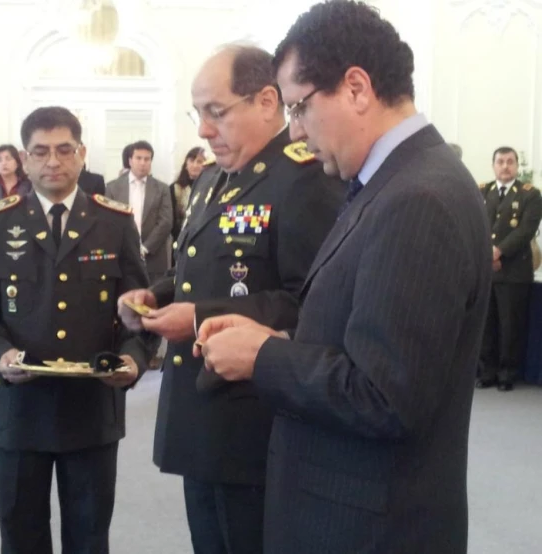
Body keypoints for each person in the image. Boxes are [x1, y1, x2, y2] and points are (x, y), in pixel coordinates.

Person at [194, 2, 492, 553]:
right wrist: (274, 339)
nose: (297, 132)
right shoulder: (391, 183)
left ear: (356, 88)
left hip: (367, 528)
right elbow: (364, 342)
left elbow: (384, 395)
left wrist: (263, 358)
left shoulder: (418, 198)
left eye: (300, 109)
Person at [118, 44, 343, 554]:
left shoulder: (303, 179)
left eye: (215, 112)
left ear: (267, 101)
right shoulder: (217, 178)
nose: (202, 129)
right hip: (201, 413)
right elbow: (198, 270)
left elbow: (310, 301)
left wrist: (198, 317)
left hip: (253, 423)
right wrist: (152, 296)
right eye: (197, 113)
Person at [0, 106, 151, 554]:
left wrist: (134, 359)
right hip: (20, 410)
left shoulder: (115, 222)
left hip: (91, 410)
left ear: (82, 153)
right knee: (21, 535)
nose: (53, 162)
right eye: (40, 152)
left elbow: (141, 310)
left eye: (65, 150)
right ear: (24, 159)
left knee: (89, 536)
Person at [478, 146, 542, 391]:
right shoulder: (482, 191)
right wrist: (486, 253)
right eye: (500, 162)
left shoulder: (530, 195)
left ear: (516, 166)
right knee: (487, 325)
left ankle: (507, 374)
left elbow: (526, 230)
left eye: (510, 162)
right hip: (486, 270)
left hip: (514, 271)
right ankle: (487, 372)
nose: (505, 166)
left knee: (510, 326)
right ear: (493, 165)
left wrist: (498, 251)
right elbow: (476, 224)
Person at [106, 140, 173, 284]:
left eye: (147, 159)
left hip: (153, 256)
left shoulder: (162, 189)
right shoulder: (112, 187)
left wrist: (145, 248)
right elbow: (108, 221)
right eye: (138, 158)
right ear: (130, 160)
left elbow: (166, 222)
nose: (143, 163)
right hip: (122, 256)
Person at [170, 146, 206, 244]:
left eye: (199, 162)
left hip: (204, 238)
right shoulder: (175, 188)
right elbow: (172, 220)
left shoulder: (211, 188)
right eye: (191, 160)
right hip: (180, 239)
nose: (195, 165)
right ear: (186, 164)